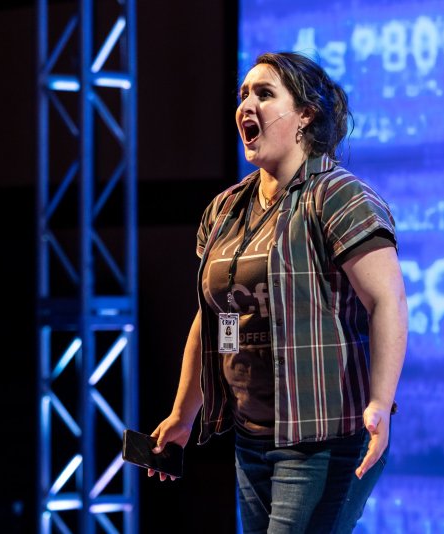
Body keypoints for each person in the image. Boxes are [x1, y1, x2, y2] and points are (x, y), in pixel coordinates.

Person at [149, 51, 408, 533]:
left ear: (305, 115)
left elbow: (386, 301)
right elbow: (215, 317)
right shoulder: (227, 208)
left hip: (323, 437)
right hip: (252, 438)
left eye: (264, 94)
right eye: (243, 94)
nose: (247, 104)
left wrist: (380, 403)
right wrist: (184, 415)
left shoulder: (337, 196)